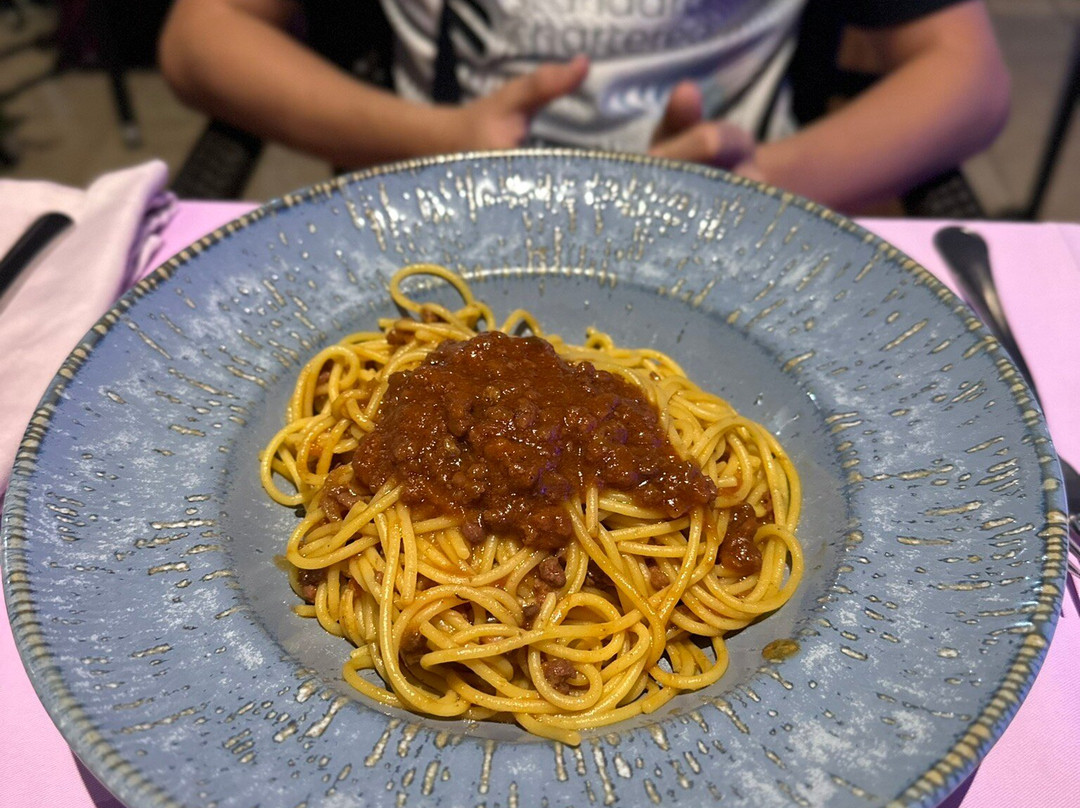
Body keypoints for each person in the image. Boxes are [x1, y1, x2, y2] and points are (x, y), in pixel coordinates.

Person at [157, 1, 1010, 214]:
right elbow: (201, 37)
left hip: (733, 208)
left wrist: (767, 176)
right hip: (446, 199)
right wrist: (438, 138)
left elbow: (970, 76)